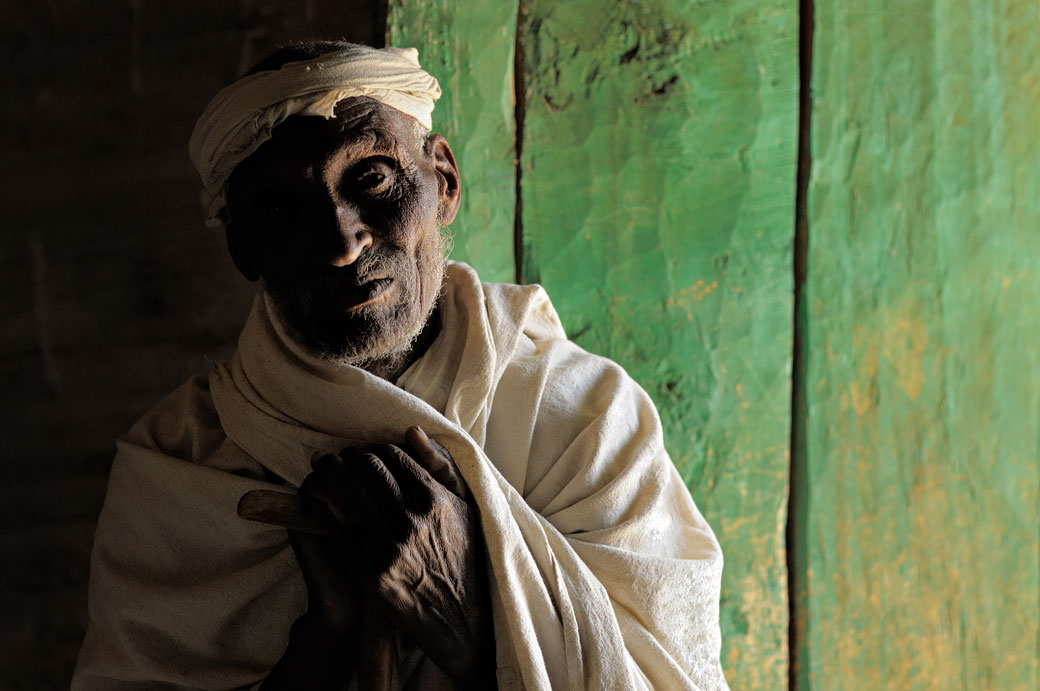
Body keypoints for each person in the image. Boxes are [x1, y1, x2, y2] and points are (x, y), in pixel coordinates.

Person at [72, 41, 729, 690]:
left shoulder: (582, 416)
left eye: (372, 177)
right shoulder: (180, 467)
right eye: (281, 209)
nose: (339, 242)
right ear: (243, 248)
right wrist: (328, 637)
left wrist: (462, 613)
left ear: (442, 181)